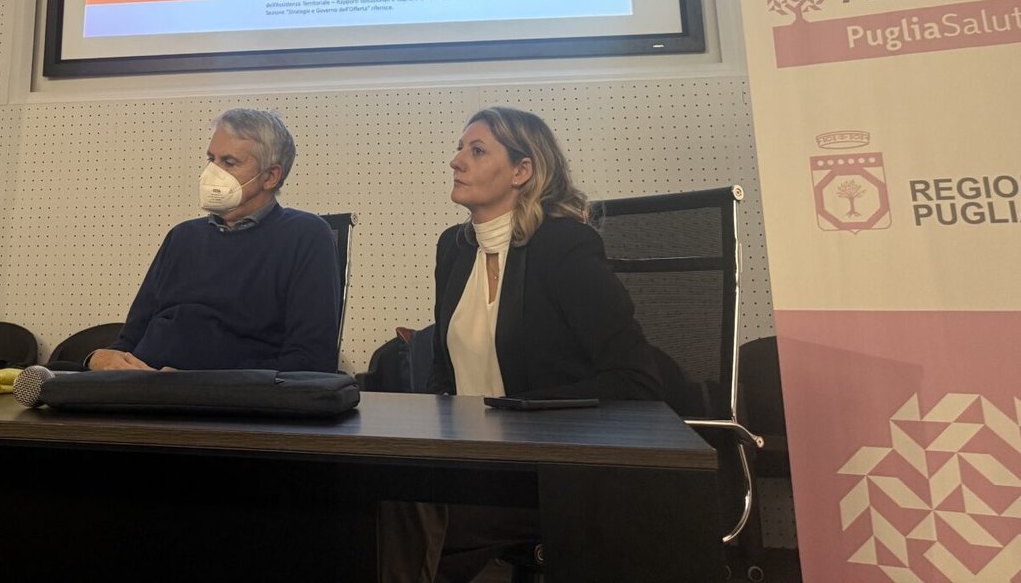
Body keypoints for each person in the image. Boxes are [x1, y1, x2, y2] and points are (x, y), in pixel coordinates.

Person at [383, 105, 664, 583]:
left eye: (476, 150)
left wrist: (511, 413)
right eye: (459, 148)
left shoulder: (565, 246)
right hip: (473, 464)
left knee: (400, 512)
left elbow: (635, 380)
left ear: (522, 171)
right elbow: (444, 374)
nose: (456, 160)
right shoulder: (453, 247)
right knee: (368, 490)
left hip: (551, 471)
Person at [87, 108, 340, 373]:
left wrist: (199, 383)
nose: (212, 172)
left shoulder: (305, 235)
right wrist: (97, 358)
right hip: (142, 386)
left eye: (229, 163)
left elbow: (310, 362)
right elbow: (129, 342)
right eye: (212, 159)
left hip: (222, 394)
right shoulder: (182, 237)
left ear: (270, 177)